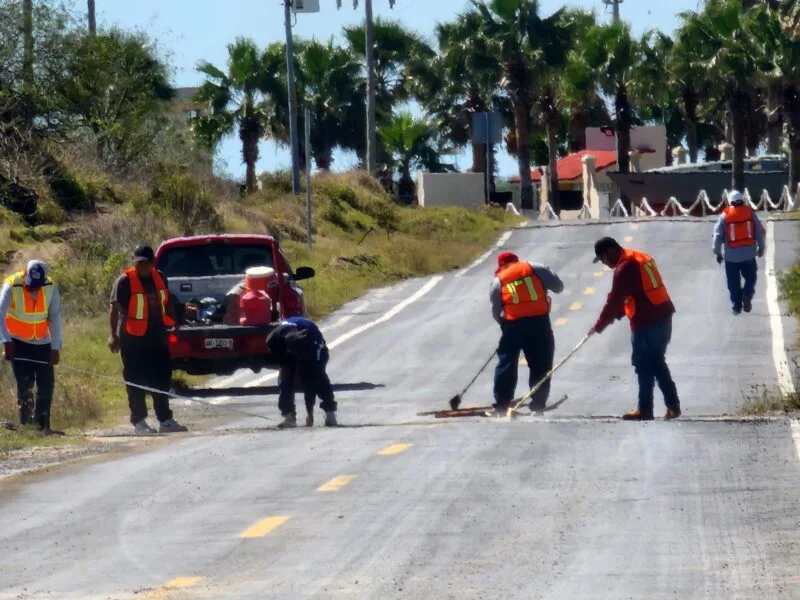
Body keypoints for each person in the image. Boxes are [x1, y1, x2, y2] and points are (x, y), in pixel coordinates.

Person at [588, 237, 681, 421]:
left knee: (643, 364)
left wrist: (599, 325)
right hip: (662, 316)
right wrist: (615, 316)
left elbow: (615, 300)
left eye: (603, 260)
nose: (605, 265)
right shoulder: (637, 257)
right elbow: (633, 294)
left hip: (648, 322)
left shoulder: (625, 267)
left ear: (609, 252)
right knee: (656, 362)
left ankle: (645, 409)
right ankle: (672, 405)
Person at [109, 245, 188, 435]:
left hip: (157, 336)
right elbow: (114, 309)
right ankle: (139, 422)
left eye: (145, 262)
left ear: (152, 262)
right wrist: (113, 335)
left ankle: (165, 420)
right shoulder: (124, 282)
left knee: (161, 378)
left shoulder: (160, 277)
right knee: (135, 380)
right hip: (132, 339)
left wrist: (173, 323)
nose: (141, 266)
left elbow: (167, 302)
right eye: (138, 263)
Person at [487, 251, 564, 417]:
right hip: (540, 322)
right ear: (517, 261)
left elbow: (495, 311)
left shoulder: (498, 280)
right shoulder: (536, 268)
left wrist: (504, 326)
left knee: (507, 362)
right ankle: (538, 404)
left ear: (501, 266)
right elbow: (559, 287)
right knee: (541, 362)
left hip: (513, 325)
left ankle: (502, 404)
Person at [0, 260, 63, 435]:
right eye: (30, 284)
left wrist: (55, 347)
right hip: (18, 343)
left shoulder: (50, 286)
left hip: (42, 342)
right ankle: (28, 428)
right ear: (25, 273)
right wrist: (6, 341)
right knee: (25, 383)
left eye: (37, 286)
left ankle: (43, 427)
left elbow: (55, 317)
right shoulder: (12, 285)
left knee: (46, 384)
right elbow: (0, 313)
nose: (33, 288)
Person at [266, 316, 337, 429]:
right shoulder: (274, 338)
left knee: (318, 377)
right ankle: (289, 416)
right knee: (285, 379)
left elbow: (309, 382)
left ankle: (330, 413)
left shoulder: (310, 345)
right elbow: (276, 357)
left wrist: (310, 413)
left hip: (313, 347)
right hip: (287, 347)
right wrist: (284, 366)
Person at [712, 190, 766, 315]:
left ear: (730, 201)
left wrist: (717, 252)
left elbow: (718, 235)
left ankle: (736, 306)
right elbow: (759, 231)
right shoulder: (749, 212)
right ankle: (747, 293)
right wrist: (761, 247)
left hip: (731, 257)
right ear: (742, 200)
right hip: (749, 255)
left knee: (733, 282)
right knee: (751, 277)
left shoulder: (725, 215)